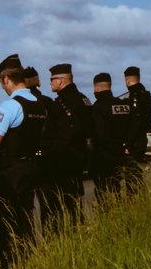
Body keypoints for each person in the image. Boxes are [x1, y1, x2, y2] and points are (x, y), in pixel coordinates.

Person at [0, 54, 47, 269]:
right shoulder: (39, 105)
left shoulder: (10, 105)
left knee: (6, 220)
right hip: (32, 167)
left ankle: (9, 268)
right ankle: (27, 262)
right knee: (25, 217)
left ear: (7, 79)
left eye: (1, 83)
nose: (2, 87)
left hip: (10, 171)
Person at [22, 66, 71, 236]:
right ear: (39, 82)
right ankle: (52, 239)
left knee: (24, 206)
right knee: (50, 204)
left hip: (28, 159)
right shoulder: (49, 103)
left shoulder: (19, 104)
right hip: (48, 158)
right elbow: (63, 130)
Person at [49, 63, 93, 226]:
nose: (51, 83)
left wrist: (50, 154)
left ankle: (70, 237)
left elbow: (65, 134)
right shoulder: (84, 98)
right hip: (80, 157)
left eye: (53, 79)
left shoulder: (64, 102)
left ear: (61, 81)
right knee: (74, 202)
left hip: (64, 160)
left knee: (64, 206)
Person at [89, 72, 131, 203]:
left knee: (102, 191)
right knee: (116, 187)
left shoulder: (98, 107)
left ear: (96, 88)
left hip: (103, 156)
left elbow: (97, 133)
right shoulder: (123, 105)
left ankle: (105, 216)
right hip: (120, 154)